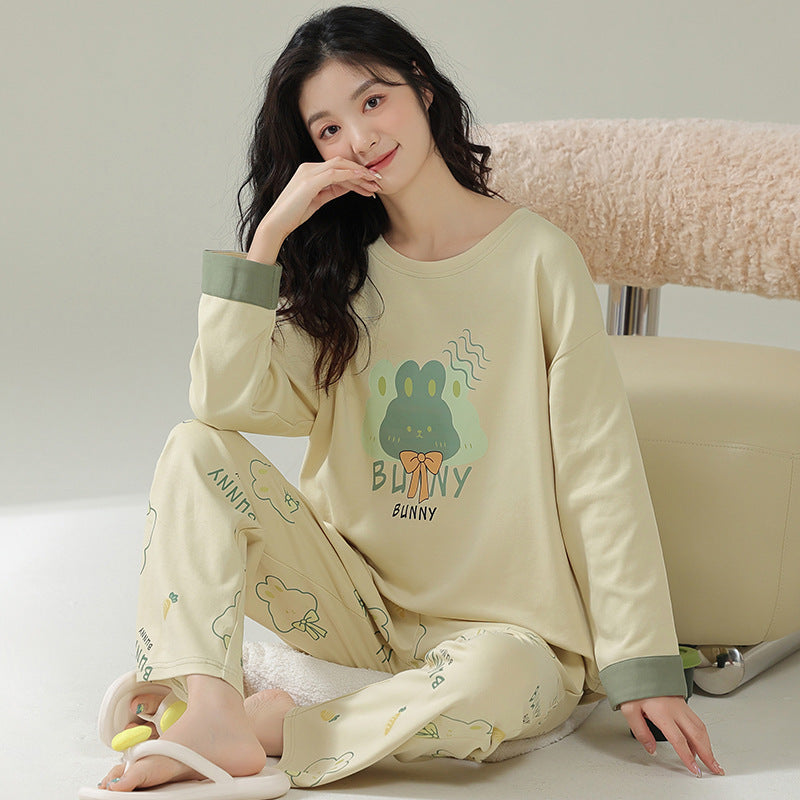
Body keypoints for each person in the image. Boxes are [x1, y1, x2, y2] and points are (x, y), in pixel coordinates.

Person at [95, 4, 724, 793]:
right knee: (193, 448)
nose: (359, 138)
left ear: (422, 90)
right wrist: (269, 239)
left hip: (507, 636)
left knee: (495, 680)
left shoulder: (538, 258)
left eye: (372, 100)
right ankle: (216, 706)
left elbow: (599, 469)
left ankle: (278, 725)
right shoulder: (344, 276)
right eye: (328, 129)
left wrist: (642, 664)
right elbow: (224, 403)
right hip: (354, 610)